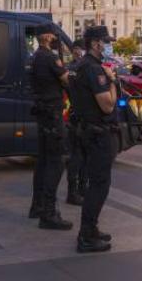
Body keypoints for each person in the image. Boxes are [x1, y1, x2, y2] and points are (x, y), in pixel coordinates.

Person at [72, 26, 118, 253]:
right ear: (94, 43)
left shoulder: (82, 66)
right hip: (98, 133)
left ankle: (91, 229)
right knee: (99, 185)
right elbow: (108, 105)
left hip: (88, 130)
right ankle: (86, 236)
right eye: (104, 41)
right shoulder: (94, 69)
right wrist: (112, 81)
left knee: (95, 183)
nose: (107, 45)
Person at [28, 23, 72, 230]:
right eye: (54, 35)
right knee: (57, 160)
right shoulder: (49, 57)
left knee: (43, 160)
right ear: (46, 36)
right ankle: (49, 212)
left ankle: (37, 206)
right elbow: (66, 80)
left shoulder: (36, 56)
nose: (56, 38)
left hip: (42, 111)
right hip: (52, 113)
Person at [65, 39, 88, 206]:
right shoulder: (76, 68)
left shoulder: (72, 68)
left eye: (80, 49)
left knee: (82, 156)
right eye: (76, 49)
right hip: (77, 116)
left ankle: (80, 188)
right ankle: (74, 191)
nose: (78, 52)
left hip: (78, 115)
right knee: (77, 156)